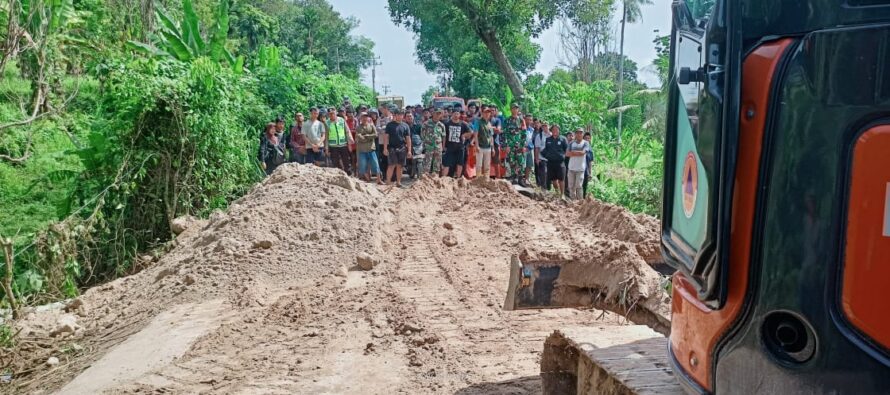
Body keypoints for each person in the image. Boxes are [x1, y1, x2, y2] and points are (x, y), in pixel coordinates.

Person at [383, 109, 411, 187]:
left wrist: (409, 150)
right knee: (391, 165)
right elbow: (386, 137)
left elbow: (408, 139)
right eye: (398, 114)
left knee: (400, 166)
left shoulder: (405, 126)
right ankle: (388, 182)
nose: (400, 116)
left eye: (401, 115)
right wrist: (385, 148)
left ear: (403, 116)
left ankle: (398, 182)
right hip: (392, 147)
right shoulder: (390, 125)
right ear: (395, 115)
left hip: (402, 148)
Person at [442, 108, 472, 178]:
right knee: (447, 164)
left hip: (460, 147)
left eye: (457, 114)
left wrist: (464, 135)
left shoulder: (463, 124)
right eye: (454, 113)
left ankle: (458, 178)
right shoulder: (447, 124)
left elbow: (471, 132)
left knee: (460, 164)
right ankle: (443, 179)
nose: (456, 115)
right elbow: (444, 136)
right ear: (452, 114)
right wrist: (443, 146)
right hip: (449, 147)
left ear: (459, 115)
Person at [325, 107, 354, 175]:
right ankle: (340, 175)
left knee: (346, 161)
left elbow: (347, 131)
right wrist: (326, 148)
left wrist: (349, 142)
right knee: (335, 162)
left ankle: (349, 175)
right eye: (330, 114)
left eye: (333, 113)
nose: (331, 115)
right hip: (333, 146)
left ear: (336, 113)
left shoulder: (341, 120)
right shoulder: (327, 123)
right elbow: (326, 136)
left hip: (343, 144)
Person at [355, 112, 382, 184]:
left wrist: (366, 136)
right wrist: (369, 137)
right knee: (363, 166)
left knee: (376, 164)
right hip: (362, 149)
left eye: (366, 117)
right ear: (360, 118)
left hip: (371, 148)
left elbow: (376, 135)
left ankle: (379, 180)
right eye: (363, 117)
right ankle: (367, 179)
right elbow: (359, 138)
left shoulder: (371, 126)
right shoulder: (358, 127)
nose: (364, 118)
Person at [504, 103, 527, 186]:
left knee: (520, 161)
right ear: (511, 110)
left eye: (516, 108)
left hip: (519, 145)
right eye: (513, 108)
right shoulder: (507, 120)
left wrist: (524, 146)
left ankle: (521, 179)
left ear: (518, 110)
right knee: (512, 161)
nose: (514, 110)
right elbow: (504, 134)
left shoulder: (521, 120)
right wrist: (506, 145)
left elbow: (524, 133)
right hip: (510, 145)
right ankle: (514, 178)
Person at [541, 124, 568, 196]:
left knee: (561, 179)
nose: (555, 131)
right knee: (553, 179)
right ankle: (557, 193)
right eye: (553, 130)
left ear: (559, 130)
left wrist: (562, 156)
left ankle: (562, 195)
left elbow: (566, 150)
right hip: (550, 162)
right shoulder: (548, 139)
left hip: (560, 163)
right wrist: (547, 155)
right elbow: (546, 150)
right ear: (551, 131)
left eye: (556, 129)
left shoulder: (563, 139)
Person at [566, 129, 591, 199]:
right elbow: (567, 154)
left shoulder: (585, 143)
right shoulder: (571, 143)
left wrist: (573, 152)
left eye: (580, 133)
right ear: (575, 134)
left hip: (580, 168)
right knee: (571, 186)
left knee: (579, 186)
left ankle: (579, 202)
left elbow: (583, 153)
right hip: (571, 168)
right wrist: (579, 153)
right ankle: (573, 201)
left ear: (582, 134)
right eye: (577, 133)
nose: (579, 134)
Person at [421, 109, 446, 176]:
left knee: (437, 165)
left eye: (439, 114)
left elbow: (443, 136)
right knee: (427, 165)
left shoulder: (441, 125)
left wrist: (443, 147)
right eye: (436, 113)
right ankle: (425, 180)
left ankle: (435, 179)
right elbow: (422, 135)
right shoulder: (426, 124)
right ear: (433, 114)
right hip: (429, 146)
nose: (438, 115)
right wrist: (426, 143)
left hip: (438, 147)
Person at [474, 107, 495, 179]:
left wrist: (493, 148)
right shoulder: (478, 122)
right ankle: (478, 179)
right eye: (485, 112)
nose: (487, 114)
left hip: (488, 147)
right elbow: (475, 134)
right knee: (479, 165)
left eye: (488, 112)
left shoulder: (489, 123)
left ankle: (486, 179)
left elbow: (491, 137)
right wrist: (476, 146)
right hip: (480, 146)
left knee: (487, 165)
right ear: (482, 113)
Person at [533, 119, 550, 189]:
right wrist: (537, 159)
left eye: (546, 126)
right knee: (543, 174)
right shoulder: (539, 136)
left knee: (549, 175)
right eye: (543, 126)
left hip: (551, 159)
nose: (545, 127)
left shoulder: (552, 135)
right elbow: (537, 148)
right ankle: (543, 190)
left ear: (548, 126)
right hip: (542, 158)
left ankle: (548, 189)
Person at [406, 113, 424, 179]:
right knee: (407, 162)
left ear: (413, 117)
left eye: (410, 116)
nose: (409, 117)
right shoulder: (404, 125)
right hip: (406, 145)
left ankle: (420, 176)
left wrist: (422, 143)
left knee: (420, 160)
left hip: (417, 145)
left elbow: (422, 136)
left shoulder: (419, 125)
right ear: (405, 118)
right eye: (407, 116)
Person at [523, 114, 535, 183]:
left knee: (529, 164)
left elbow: (533, 140)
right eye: (527, 119)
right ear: (524, 119)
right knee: (523, 164)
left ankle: (527, 179)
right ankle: (521, 178)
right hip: (523, 149)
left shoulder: (532, 130)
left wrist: (530, 147)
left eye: (530, 120)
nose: (528, 121)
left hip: (530, 149)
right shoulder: (521, 128)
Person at [583, 132, 594, 198]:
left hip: (586, 170)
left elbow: (590, 162)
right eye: (585, 138)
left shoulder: (590, 150)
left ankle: (582, 199)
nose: (587, 139)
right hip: (578, 169)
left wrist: (590, 173)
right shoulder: (580, 146)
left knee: (584, 186)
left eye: (588, 138)